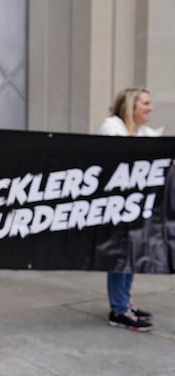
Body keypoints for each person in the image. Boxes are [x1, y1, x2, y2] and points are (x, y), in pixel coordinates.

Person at [97, 87, 161, 332]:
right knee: (119, 257)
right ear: (130, 106)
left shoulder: (145, 133)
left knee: (131, 256)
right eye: (145, 103)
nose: (150, 108)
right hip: (116, 206)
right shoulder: (111, 127)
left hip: (136, 207)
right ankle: (118, 310)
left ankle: (124, 302)